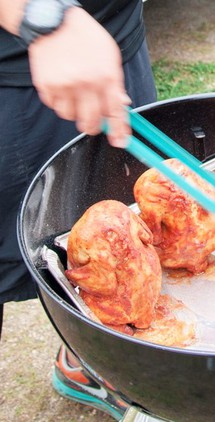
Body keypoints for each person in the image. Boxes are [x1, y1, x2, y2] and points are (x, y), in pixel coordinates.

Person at [0, 0, 156, 418]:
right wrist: (39, 14)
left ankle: (86, 366)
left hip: (108, 45)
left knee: (120, 240)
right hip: (17, 62)